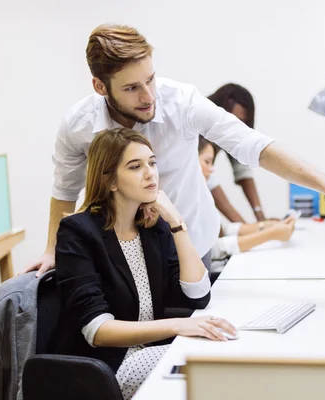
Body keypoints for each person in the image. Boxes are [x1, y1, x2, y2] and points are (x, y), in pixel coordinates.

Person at [23, 24, 325, 277]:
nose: (148, 96)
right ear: (100, 87)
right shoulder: (78, 125)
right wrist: (52, 250)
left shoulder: (182, 102)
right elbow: (64, 191)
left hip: (191, 242)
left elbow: (252, 145)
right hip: (122, 252)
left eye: (150, 79)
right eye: (132, 88)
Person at [53, 128, 236, 400]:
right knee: (217, 366)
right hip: (108, 366)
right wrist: (177, 326)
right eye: (135, 166)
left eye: (152, 162)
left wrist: (176, 222)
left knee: (222, 355)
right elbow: (97, 330)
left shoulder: (152, 226)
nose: (150, 173)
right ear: (110, 180)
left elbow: (197, 294)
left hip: (148, 351)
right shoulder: (78, 232)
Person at [197, 136, 296, 260]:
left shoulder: (201, 194)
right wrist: (269, 234)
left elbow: (220, 230)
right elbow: (211, 250)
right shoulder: (185, 200)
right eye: (207, 162)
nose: (212, 170)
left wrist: (265, 226)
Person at [206, 83, 269, 223]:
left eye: (242, 123)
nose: (236, 128)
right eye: (234, 121)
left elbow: (243, 171)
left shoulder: (227, 134)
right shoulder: (199, 133)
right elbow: (208, 182)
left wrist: (260, 219)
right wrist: (254, 229)